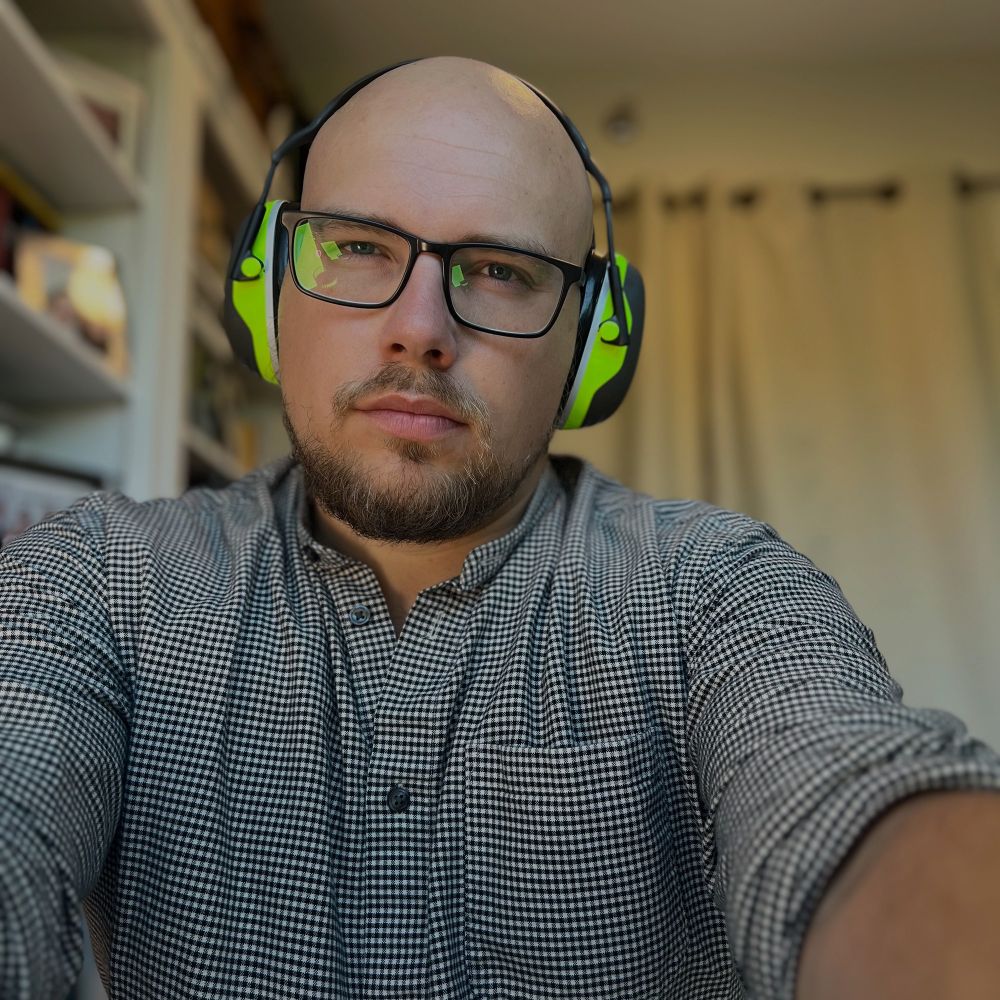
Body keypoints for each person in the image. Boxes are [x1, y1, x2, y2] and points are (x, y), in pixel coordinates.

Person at [1, 56, 998, 1000]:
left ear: (591, 344)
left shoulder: (714, 589)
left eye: (501, 269)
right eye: (356, 246)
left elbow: (849, 800)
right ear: (265, 285)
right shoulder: (97, 578)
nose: (421, 327)